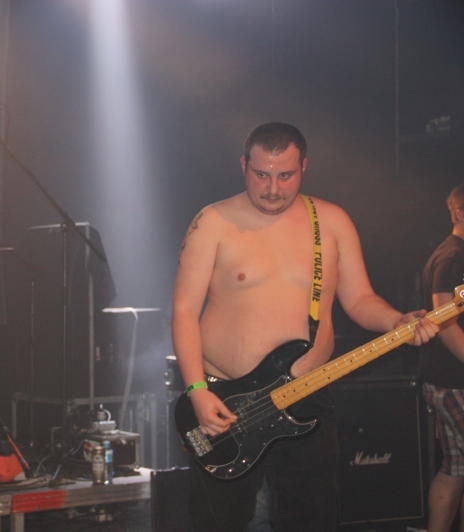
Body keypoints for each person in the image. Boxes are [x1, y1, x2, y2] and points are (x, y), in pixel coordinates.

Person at [171, 121, 438, 531]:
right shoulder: (213, 221)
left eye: (285, 175)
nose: (272, 188)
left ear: (304, 167)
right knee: (217, 523)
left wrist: (397, 321)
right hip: (224, 400)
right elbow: (184, 310)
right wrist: (197, 391)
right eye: (261, 174)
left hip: (307, 396)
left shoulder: (331, 222)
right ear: (243, 165)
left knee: (312, 519)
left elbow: (359, 300)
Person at [420, 183, 464, 532]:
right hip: (453, 381)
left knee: (456, 467)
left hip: (451, 380)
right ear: (459, 212)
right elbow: (444, 322)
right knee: (455, 468)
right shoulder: (452, 257)